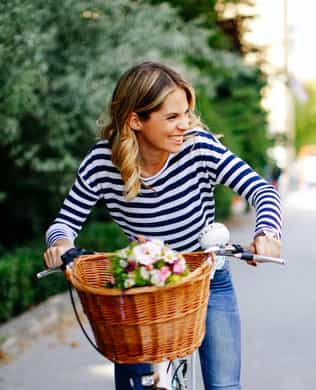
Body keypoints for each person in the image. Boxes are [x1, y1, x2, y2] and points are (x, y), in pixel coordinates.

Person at [42, 61, 282, 390]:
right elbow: (64, 224)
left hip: (205, 279)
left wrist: (267, 233)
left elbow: (261, 190)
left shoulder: (199, 147)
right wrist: (61, 247)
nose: (184, 124)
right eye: (172, 117)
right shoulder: (102, 161)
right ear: (135, 120)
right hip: (143, 286)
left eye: (186, 113)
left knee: (224, 385)